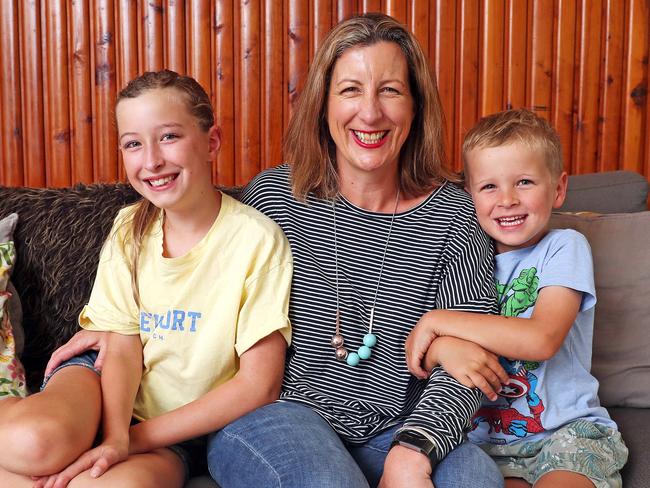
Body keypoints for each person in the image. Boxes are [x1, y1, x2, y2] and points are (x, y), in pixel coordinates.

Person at [45, 13, 504, 488]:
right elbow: (201, 255)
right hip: (279, 417)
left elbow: (469, 361)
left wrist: (414, 450)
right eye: (350, 90)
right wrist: (116, 328)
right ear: (323, 106)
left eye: (390, 90)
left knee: (476, 479)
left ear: (416, 106)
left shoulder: (456, 215)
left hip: (398, 425)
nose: (370, 113)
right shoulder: (275, 198)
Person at [0, 70, 292, 487]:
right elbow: (122, 342)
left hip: (173, 434)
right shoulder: (129, 226)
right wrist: (114, 432)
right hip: (100, 383)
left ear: (211, 142)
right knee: (36, 443)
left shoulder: (256, 241)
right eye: (134, 143)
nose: (151, 160)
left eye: (169, 137)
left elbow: (258, 385)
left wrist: (126, 442)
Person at [406, 108, 628, 488]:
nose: (507, 199)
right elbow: (418, 355)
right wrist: (439, 343)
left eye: (524, 182)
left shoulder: (564, 247)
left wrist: (436, 322)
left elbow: (541, 338)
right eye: (489, 186)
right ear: (468, 196)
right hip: (483, 442)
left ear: (557, 189)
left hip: (565, 435)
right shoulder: (460, 257)